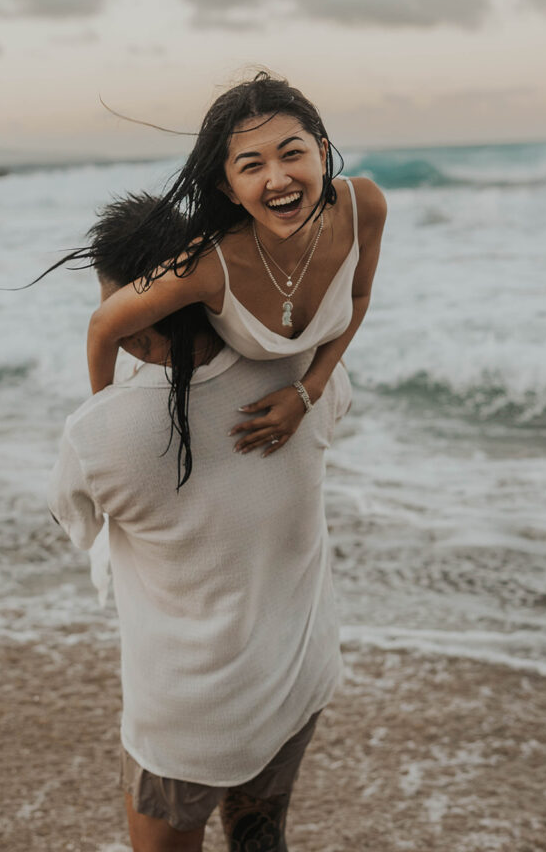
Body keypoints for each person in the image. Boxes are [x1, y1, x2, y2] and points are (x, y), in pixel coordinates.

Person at [48, 193, 353, 851]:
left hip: (189, 718)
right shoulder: (303, 375)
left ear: (128, 321)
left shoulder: (99, 433)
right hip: (296, 671)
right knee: (258, 839)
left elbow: (76, 522)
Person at [87, 71, 386, 460]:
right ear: (228, 188)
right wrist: (104, 423)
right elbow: (102, 326)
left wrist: (309, 391)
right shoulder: (209, 264)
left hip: (314, 392)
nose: (278, 180)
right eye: (252, 166)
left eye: (292, 153)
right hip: (217, 407)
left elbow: (359, 295)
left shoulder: (363, 206)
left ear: (323, 153)